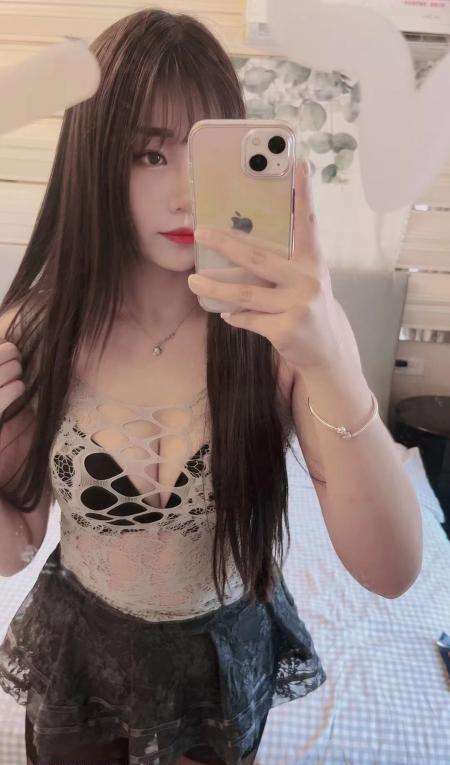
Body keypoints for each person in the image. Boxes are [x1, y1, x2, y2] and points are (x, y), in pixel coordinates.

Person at [0, 9, 327, 764]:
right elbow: (14, 549)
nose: (185, 194)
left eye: (203, 155)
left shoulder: (275, 335)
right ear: (94, 163)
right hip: (82, 654)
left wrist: (333, 353)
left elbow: (392, 565)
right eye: (149, 154)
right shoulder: (36, 332)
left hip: (221, 656)